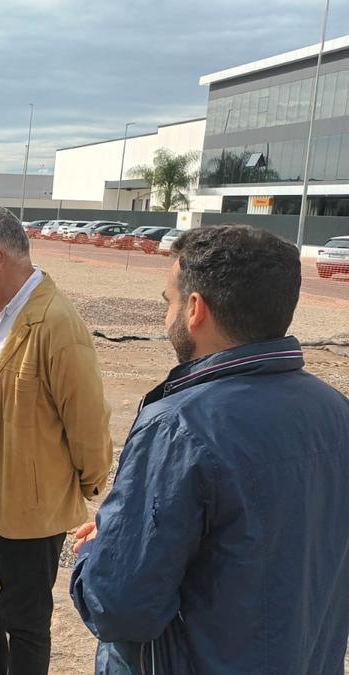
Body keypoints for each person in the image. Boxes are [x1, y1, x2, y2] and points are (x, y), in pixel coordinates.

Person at [70, 225, 349, 674]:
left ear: (195, 309)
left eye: (170, 302)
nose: (167, 318)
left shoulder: (179, 426)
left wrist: (98, 552)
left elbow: (119, 605)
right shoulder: (337, 412)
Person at [0, 206, 112, 675]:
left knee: (25, 617)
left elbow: (88, 419)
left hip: (30, 499)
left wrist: (84, 482)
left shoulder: (56, 322)